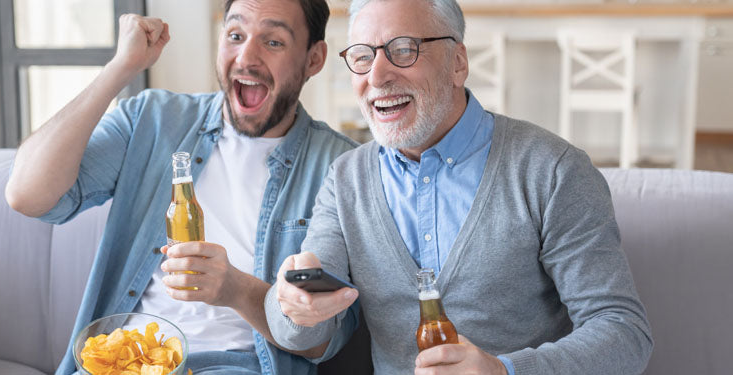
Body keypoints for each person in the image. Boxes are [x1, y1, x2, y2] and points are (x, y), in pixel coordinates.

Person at [264, 0, 653, 374]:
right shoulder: (345, 179)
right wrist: (293, 307)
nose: (377, 77)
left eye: (404, 50)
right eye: (363, 56)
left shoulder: (552, 170)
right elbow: (305, 333)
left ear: (458, 62)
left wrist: (505, 371)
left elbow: (624, 333)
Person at [5, 0, 357, 374]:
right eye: (235, 35)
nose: (246, 57)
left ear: (314, 59)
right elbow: (26, 195)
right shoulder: (152, 119)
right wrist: (119, 68)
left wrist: (234, 289)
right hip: (124, 359)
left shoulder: (340, 168)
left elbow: (320, 342)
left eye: (273, 42)